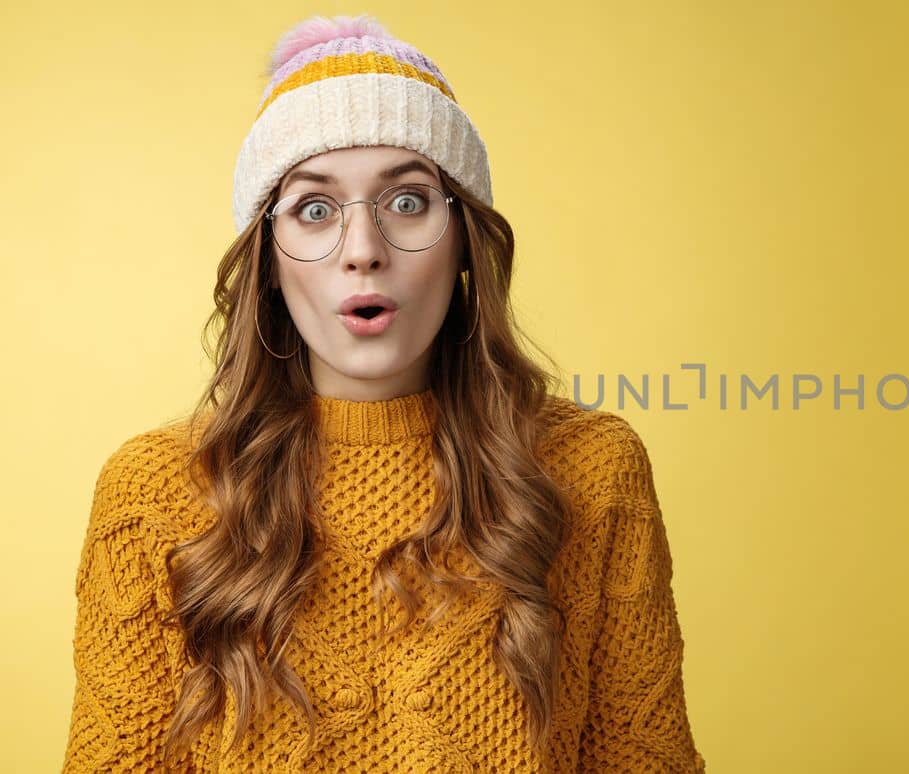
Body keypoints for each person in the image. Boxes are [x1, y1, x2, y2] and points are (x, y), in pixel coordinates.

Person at [61, 13, 706, 772]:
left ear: (465, 238)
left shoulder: (592, 470)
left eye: (407, 202)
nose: (363, 251)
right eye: (313, 208)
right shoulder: (154, 492)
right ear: (268, 258)